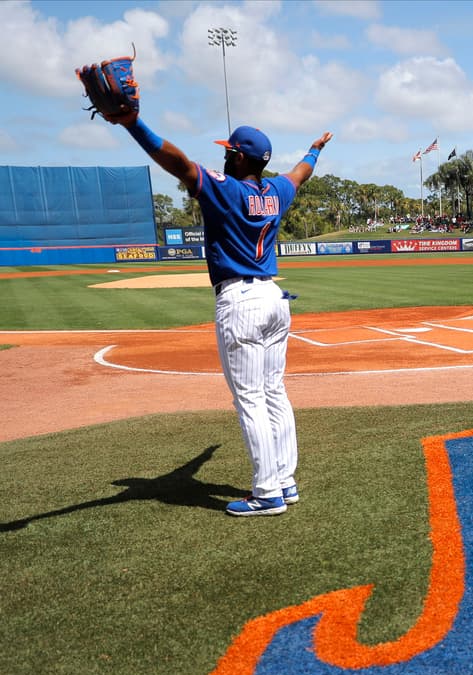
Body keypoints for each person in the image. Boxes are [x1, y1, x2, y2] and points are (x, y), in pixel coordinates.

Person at [111, 111, 332, 516]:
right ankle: (285, 481)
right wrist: (314, 150)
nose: (226, 156)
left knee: (250, 399)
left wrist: (133, 124)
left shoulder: (226, 190)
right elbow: (301, 173)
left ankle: (267, 493)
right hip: (274, 298)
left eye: (230, 151)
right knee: (274, 392)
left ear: (242, 158)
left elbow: (178, 163)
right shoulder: (276, 190)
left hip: (241, 302)